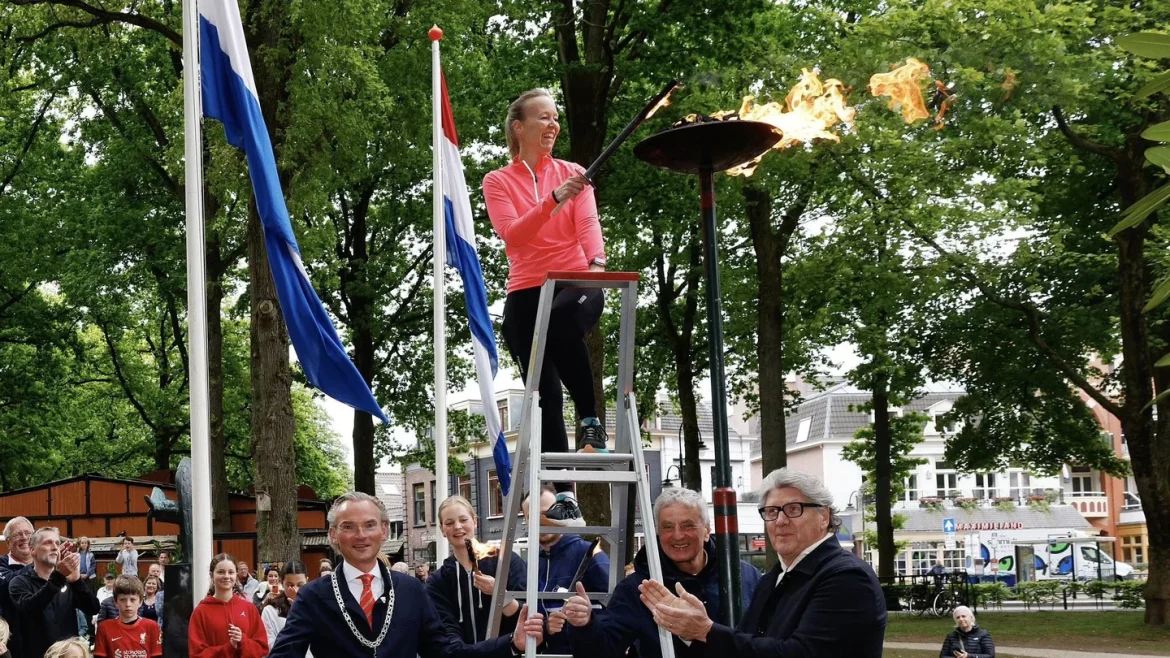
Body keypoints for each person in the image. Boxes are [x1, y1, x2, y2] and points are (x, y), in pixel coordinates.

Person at [482, 88, 609, 526]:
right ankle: (565, 494)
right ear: (519, 128)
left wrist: (596, 264)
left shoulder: (573, 172)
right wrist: (553, 200)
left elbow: (588, 223)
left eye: (556, 118)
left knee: (558, 323)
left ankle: (591, 422)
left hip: (576, 280)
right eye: (543, 118)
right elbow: (514, 236)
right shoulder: (497, 182)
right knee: (545, 395)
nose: (553, 125)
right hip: (525, 289)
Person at [641, 468, 887, 658]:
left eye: (793, 509)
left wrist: (705, 630)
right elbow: (744, 647)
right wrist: (689, 628)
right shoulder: (774, 577)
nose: (780, 521)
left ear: (824, 516)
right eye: (771, 512)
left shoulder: (847, 578)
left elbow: (800, 654)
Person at [267, 491, 545, 658]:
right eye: (349, 527)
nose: (361, 535)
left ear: (384, 530)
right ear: (333, 535)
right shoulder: (314, 597)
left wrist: (510, 644)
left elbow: (444, 653)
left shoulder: (410, 590)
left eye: (370, 525)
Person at [561, 487, 762, 658]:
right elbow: (604, 650)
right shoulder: (638, 588)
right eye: (667, 527)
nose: (677, 535)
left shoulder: (745, 578)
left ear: (706, 531)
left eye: (688, 525)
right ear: (657, 533)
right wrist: (585, 624)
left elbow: (769, 640)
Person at [520, 486, 609, 656]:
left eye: (548, 513)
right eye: (533, 517)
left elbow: (617, 614)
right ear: (526, 520)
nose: (542, 520)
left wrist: (586, 619)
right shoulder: (531, 564)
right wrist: (546, 626)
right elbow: (529, 620)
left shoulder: (591, 556)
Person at [427, 496, 527, 643]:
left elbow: (525, 617)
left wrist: (499, 593)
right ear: (442, 529)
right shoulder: (437, 581)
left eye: (463, 520)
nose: (457, 526)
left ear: (474, 522)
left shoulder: (507, 562)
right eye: (449, 523)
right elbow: (445, 631)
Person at [8, 528, 99, 658]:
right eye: (47, 543)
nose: (54, 547)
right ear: (32, 549)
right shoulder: (20, 582)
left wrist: (77, 581)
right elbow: (29, 609)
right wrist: (58, 577)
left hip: (68, 654)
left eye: (57, 543)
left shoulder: (67, 581)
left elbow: (93, 608)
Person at [188, 553, 267, 658]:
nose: (226, 576)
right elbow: (196, 654)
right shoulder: (200, 612)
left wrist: (242, 641)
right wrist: (228, 648)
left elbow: (262, 647)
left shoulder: (249, 608)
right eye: (221, 572)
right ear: (212, 575)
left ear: (236, 575)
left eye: (231, 572)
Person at [94, 575, 162, 658]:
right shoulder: (104, 628)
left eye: (132, 599)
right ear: (115, 602)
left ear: (140, 601)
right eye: (123, 600)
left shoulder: (152, 626)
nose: (128, 604)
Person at [260, 560, 310, 656]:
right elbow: (270, 645)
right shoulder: (270, 611)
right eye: (290, 585)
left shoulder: (315, 608)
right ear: (282, 583)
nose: (295, 590)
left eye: (300, 585)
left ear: (307, 581)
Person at [0, 517, 33, 658]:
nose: (24, 538)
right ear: (8, 542)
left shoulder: (53, 568)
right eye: (17, 535)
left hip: (47, 643)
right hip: (12, 645)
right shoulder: (2, 563)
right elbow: (8, 584)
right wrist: (39, 563)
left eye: (28, 533)